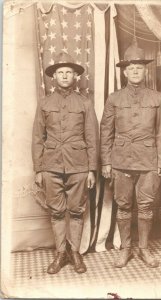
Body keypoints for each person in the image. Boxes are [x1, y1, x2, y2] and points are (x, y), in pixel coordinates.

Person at [100, 40, 161, 268]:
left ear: (145, 70)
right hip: (120, 161)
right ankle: (126, 250)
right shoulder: (114, 98)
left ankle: (144, 249)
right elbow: (105, 133)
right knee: (124, 206)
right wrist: (106, 162)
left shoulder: (156, 98)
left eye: (139, 67)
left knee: (146, 207)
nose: (135, 71)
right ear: (125, 71)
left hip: (148, 161)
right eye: (131, 67)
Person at [32, 52, 99, 274]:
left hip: (79, 165)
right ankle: (61, 254)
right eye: (60, 72)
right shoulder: (45, 103)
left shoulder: (85, 103)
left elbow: (92, 137)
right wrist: (38, 169)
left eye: (68, 72)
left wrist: (91, 169)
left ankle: (75, 252)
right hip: (50, 165)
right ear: (54, 77)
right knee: (57, 212)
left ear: (75, 76)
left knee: (77, 210)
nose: (64, 75)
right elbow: (37, 138)